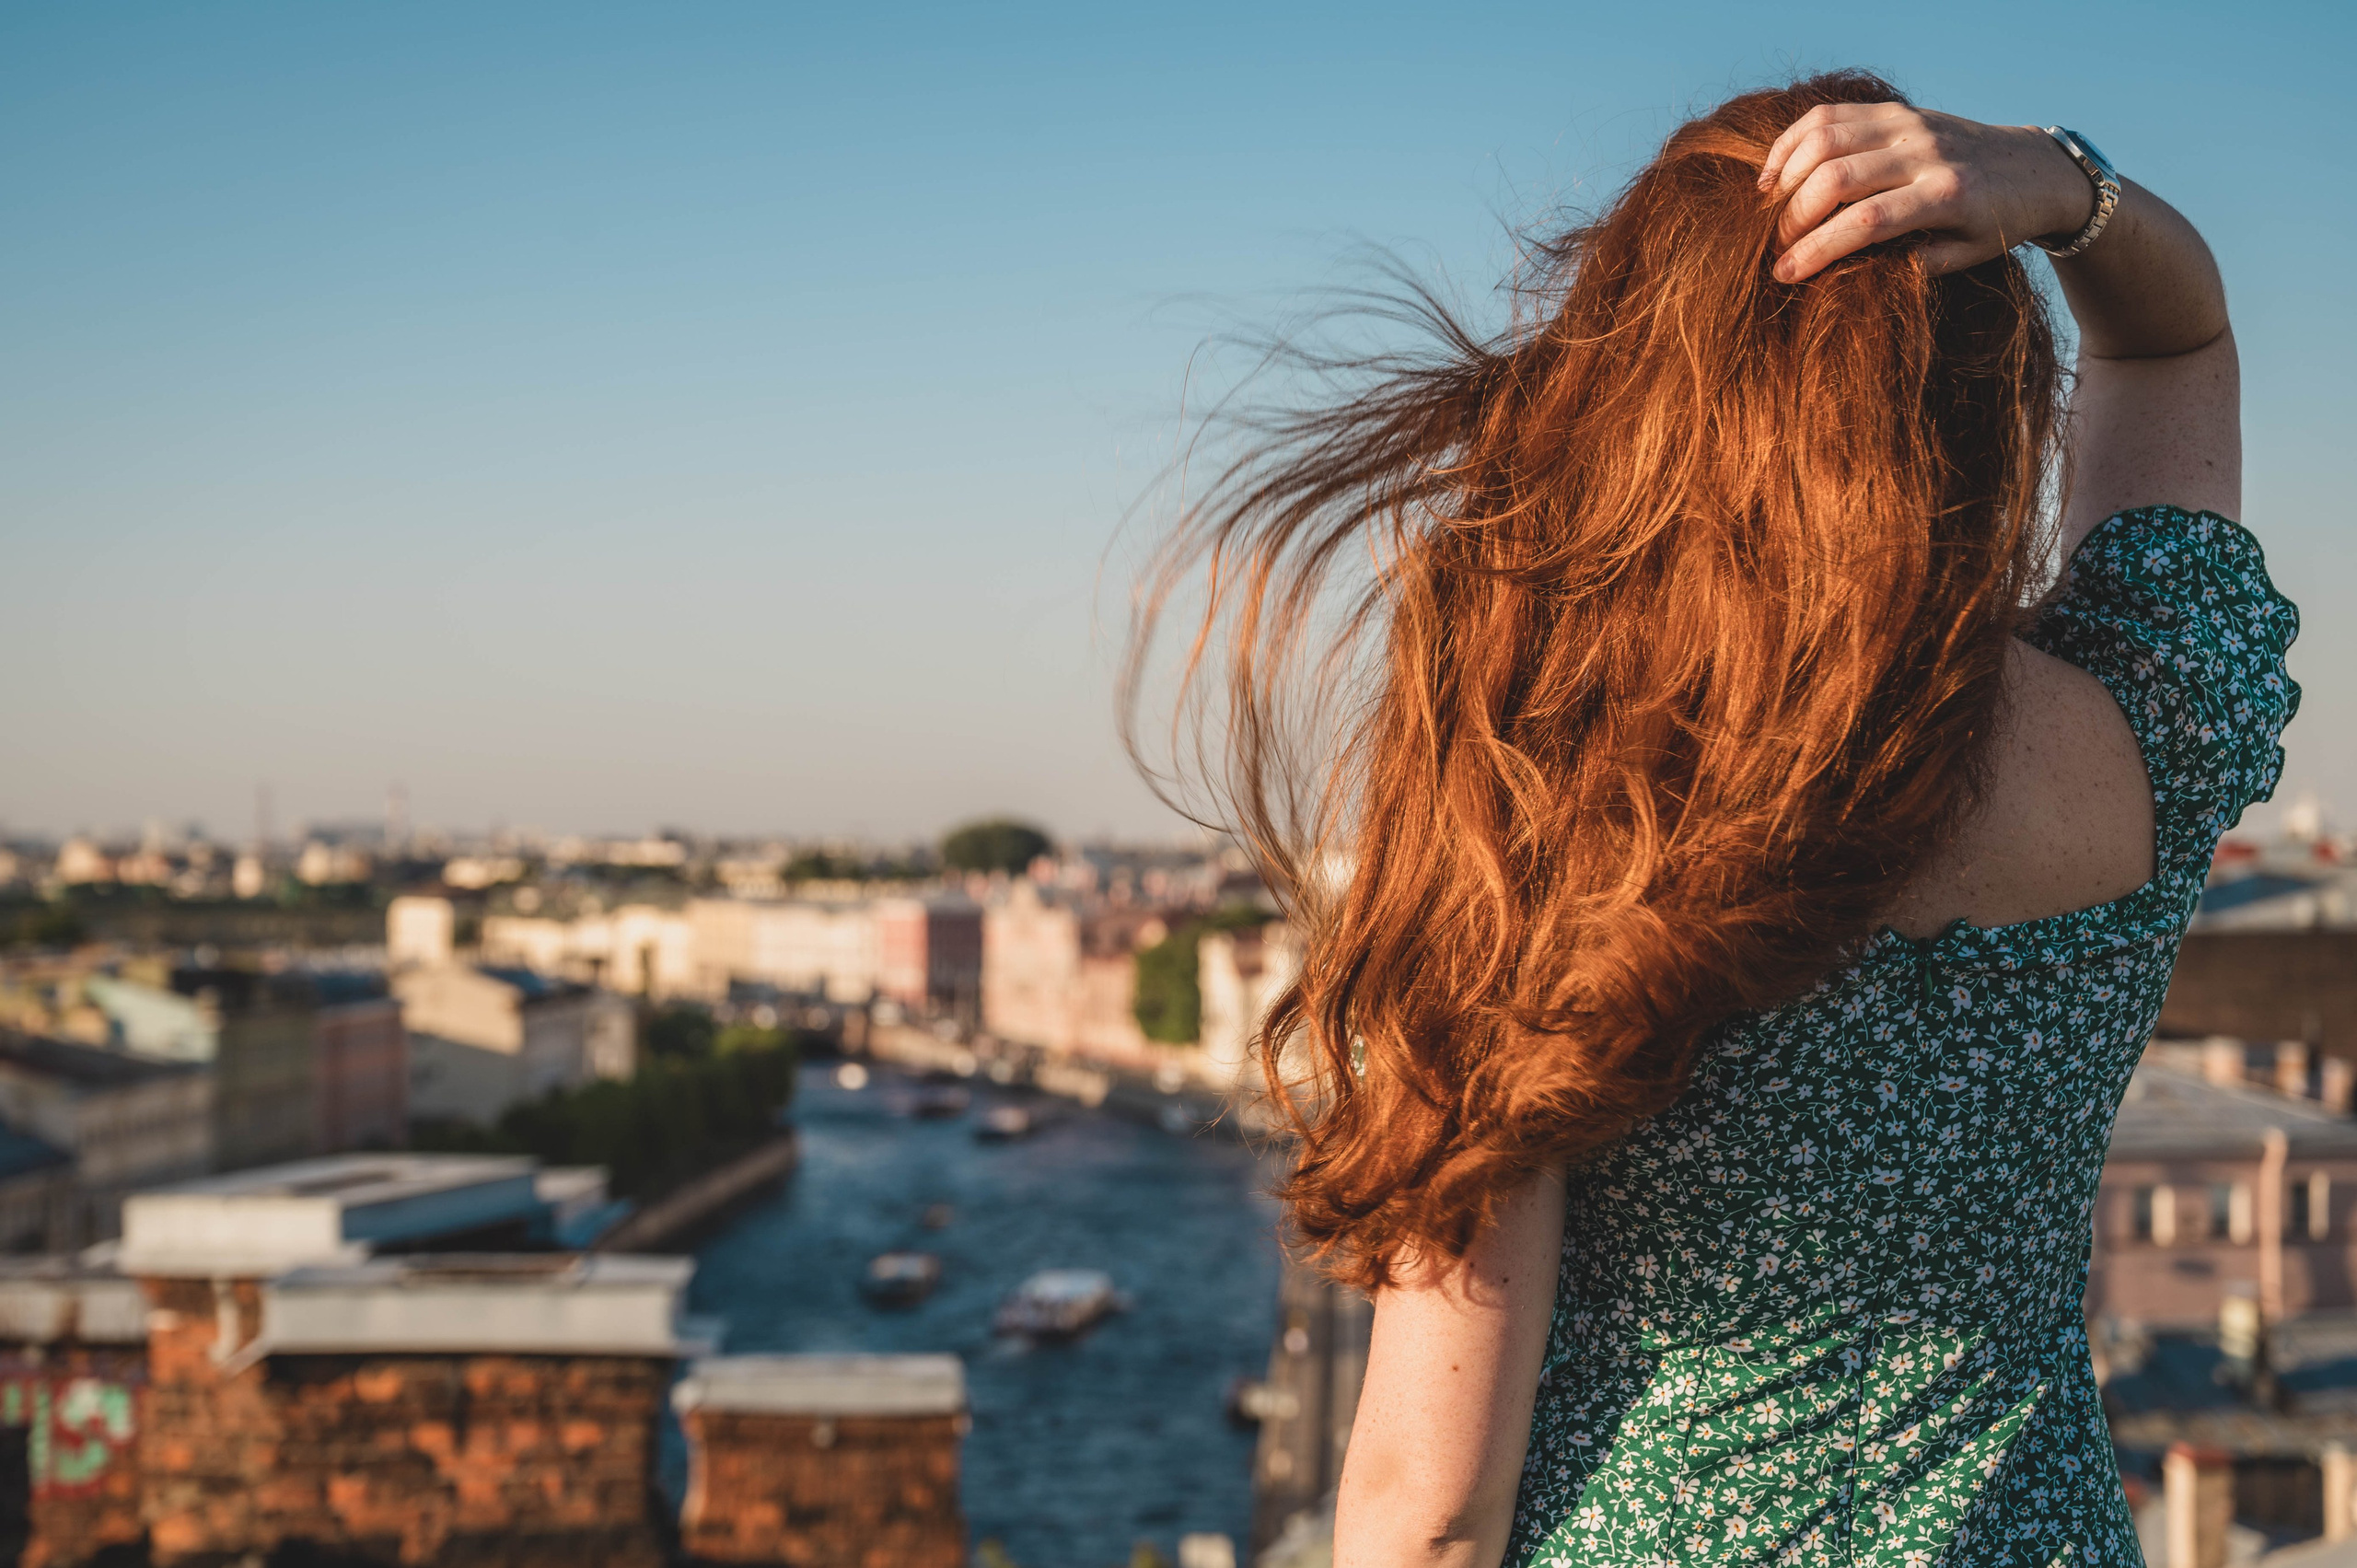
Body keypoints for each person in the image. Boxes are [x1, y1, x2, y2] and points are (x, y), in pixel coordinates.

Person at [1134, 71, 2297, 1566]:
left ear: (1646, 395)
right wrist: (2061, 185)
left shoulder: (1550, 813)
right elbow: (2179, 341)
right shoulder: (2151, 717)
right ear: (1996, 399)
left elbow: (1428, 1510)